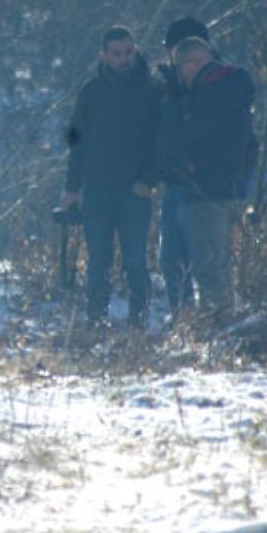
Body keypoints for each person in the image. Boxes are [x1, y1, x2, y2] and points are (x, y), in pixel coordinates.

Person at [62, 26, 161, 328]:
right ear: (103, 56)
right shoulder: (91, 92)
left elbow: (162, 142)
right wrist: (71, 188)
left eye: (129, 52)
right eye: (117, 54)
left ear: (136, 50)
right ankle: (95, 324)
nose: (124, 59)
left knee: (135, 263)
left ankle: (139, 325)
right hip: (97, 190)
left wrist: (149, 181)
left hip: (136, 191)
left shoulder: (152, 90)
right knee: (98, 264)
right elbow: (75, 141)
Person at [168, 36, 255, 323]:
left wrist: (188, 164)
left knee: (208, 267)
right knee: (223, 264)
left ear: (193, 65)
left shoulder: (208, 94)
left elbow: (186, 136)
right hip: (235, 192)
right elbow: (251, 146)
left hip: (207, 193)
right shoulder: (235, 89)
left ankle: (219, 328)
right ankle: (229, 323)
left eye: (181, 67)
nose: (181, 74)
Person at [155, 17, 209, 321]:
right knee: (171, 260)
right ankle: (183, 321)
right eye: (179, 52)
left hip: (207, 188)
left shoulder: (221, 83)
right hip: (174, 185)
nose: (187, 61)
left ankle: (210, 322)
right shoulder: (164, 84)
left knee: (207, 261)